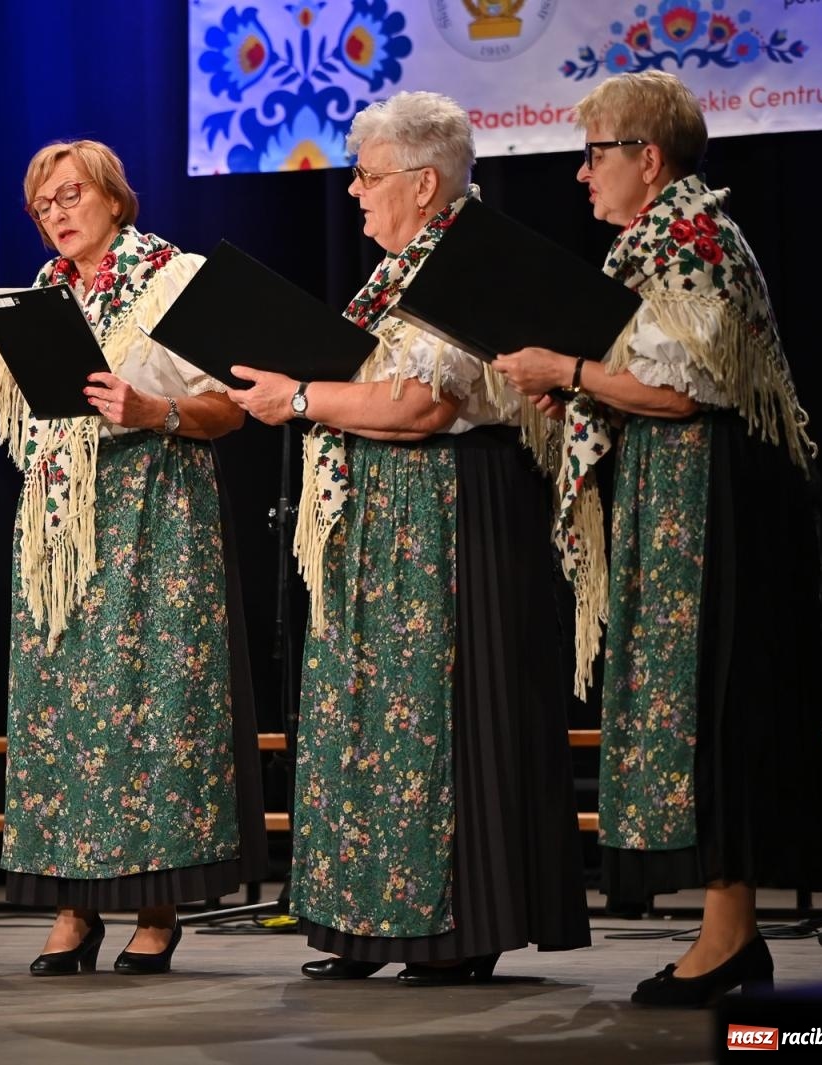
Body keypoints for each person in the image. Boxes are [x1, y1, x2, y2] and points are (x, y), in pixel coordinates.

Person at [492, 70, 822, 1007]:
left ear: (648, 160)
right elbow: (647, 377)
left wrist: (569, 366)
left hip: (713, 502)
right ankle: (730, 933)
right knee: (691, 703)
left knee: (716, 702)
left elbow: (688, 388)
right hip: (677, 493)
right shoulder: (659, 238)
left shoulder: (691, 236)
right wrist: (575, 383)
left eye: (595, 154)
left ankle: (730, 938)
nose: (580, 174)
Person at [229, 92, 591, 984]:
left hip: (453, 514)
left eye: (368, 175)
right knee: (367, 717)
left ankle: (453, 928)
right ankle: (370, 923)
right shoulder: (399, 270)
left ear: (424, 183)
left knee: (443, 718)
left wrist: (301, 398)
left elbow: (424, 404)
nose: (353, 192)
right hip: (383, 517)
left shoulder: (467, 261)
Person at [0, 138, 266, 975]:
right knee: (61, 714)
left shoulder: (174, 278)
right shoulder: (40, 301)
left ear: (113, 198)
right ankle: (72, 905)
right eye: (43, 204)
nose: (57, 213)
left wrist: (154, 410)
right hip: (61, 533)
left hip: (155, 517)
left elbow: (232, 406)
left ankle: (156, 906)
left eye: (71, 195)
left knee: (151, 706)